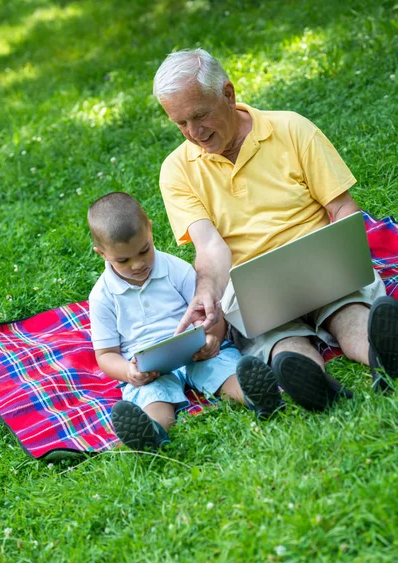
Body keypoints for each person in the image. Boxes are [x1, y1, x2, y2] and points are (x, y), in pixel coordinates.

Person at [153, 48, 398, 410]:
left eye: (200, 116)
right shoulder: (176, 171)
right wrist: (206, 293)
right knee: (282, 343)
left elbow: (341, 206)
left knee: (352, 314)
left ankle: (384, 359)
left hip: (319, 261)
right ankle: (313, 383)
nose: (194, 132)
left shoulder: (291, 128)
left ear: (228, 94)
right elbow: (208, 246)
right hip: (254, 289)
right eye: (180, 124)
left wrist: (347, 255)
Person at [88, 192, 284, 451]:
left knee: (223, 368)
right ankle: (152, 432)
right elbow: (106, 355)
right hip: (149, 368)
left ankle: (258, 396)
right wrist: (129, 373)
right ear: (101, 253)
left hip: (194, 350)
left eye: (144, 250)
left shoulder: (174, 268)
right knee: (153, 397)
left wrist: (213, 338)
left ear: (150, 228)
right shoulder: (102, 296)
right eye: (123, 260)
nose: (137, 264)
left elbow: (208, 308)